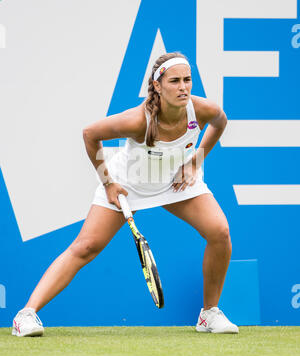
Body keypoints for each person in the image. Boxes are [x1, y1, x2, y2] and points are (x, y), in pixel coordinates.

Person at [12, 52, 238, 336]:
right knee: (85, 247)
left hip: (174, 183)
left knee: (220, 231)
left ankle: (209, 314)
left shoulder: (201, 109)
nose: (183, 87)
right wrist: (108, 183)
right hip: (128, 185)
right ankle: (26, 315)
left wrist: (195, 161)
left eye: (187, 80)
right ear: (157, 85)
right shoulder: (138, 120)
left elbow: (220, 121)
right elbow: (89, 134)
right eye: (175, 81)